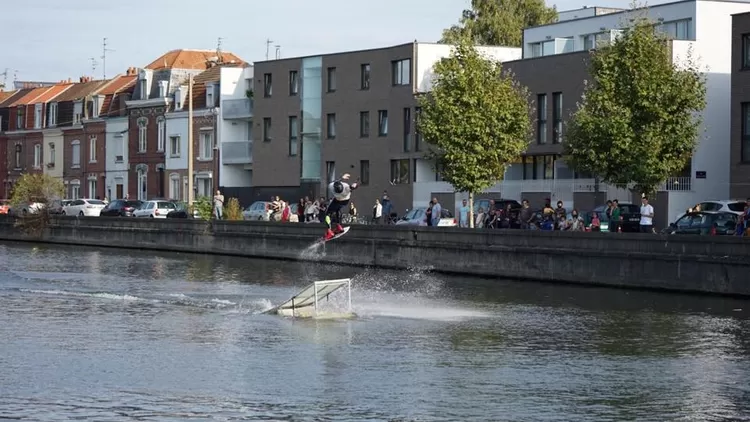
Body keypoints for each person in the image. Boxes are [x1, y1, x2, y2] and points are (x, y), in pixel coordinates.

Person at [324, 173, 359, 240]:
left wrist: (342, 177)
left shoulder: (331, 187)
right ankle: (338, 226)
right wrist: (355, 185)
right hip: (345, 201)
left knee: (327, 214)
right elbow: (352, 187)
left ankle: (329, 231)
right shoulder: (346, 187)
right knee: (337, 210)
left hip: (337, 200)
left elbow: (335, 182)